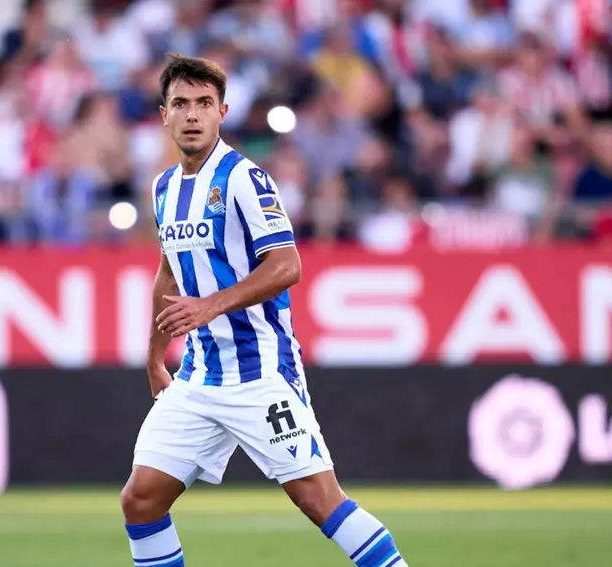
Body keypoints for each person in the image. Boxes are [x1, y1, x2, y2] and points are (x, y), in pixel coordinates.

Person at [120, 54, 409, 567]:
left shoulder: (244, 179)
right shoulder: (164, 188)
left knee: (319, 500)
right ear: (164, 115)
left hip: (260, 373)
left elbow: (287, 265)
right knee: (140, 499)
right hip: (198, 377)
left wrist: (211, 306)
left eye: (203, 103)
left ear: (222, 112)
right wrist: (154, 356)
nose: (192, 114)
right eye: (181, 104)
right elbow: (167, 272)